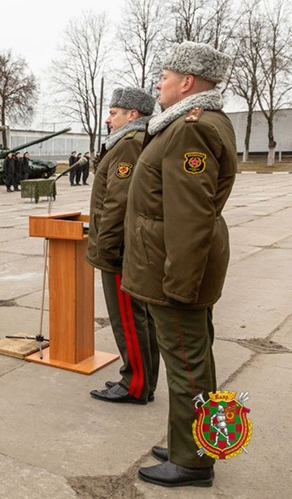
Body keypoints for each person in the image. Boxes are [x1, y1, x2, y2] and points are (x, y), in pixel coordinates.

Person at [121, 41, 236, 488]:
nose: (158, 84)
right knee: (193, 358)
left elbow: (190, 216)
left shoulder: (191, 128)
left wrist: (180, 284)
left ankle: (194, 461)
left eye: (164, 77)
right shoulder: (184, 124)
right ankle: (192, 438)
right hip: (172, 263)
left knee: (188, 363)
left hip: (178, 269)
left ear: (187, 82)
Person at [86, 87, 158, 407]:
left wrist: (108, 247)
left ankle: (135, 384)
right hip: (124, 245)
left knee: (128, 318)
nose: (108, 118)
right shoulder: (128, 142)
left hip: (119, 249)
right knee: (136, 317)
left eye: (114, 112)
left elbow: (117, 201)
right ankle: (140, 379)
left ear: (133, 115)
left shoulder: (128, 145)